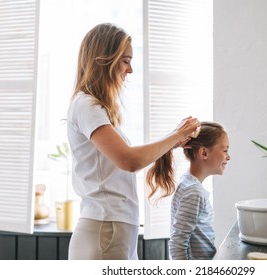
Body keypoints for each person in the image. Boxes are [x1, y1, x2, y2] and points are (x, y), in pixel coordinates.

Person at [66, 23, 200, 260]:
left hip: (112, 229)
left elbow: (129, 157)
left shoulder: (96, 109)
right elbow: (128, 159)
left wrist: (172, 140)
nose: (130, 70)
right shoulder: (87, 106)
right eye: (125, 60)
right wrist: (176, 135)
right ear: (104, 60)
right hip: (105, 230)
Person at [168, 122, 230, 260]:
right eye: (225, 150)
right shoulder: (194, 192)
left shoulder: (187, 182)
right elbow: (177, 243)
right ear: (204, 153)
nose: (228, 157)